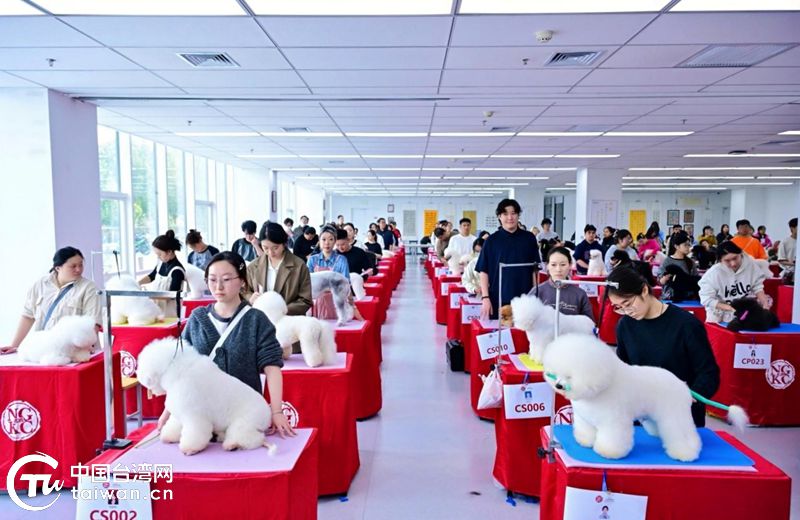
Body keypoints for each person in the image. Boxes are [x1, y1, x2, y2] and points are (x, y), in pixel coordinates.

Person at [172, 251, 294, 438]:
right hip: (201, 418)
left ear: (242, 281)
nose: (218, 286)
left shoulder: (256, 320)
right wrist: (169, 412)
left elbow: (272, 367)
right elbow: (181, 368)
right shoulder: (197, 318)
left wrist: (277, 411)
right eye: (212, 280)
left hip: (243, 416)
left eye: (227, 279)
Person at [606, 267, 720, 427]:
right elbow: (623, 370)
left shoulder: (686, 325)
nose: (626, 311)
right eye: (618, 307)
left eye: (627, 303)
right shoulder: (625, 325)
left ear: (644, 290)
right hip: (641, 416)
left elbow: (708, 373)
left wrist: (693, 394)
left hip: (680, 417)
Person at [2, 247, 101, 354]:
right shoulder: (40, 285)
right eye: (73, 266)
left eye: (81, 265)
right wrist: (15, 346)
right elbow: (28, 316)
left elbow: (93, 322)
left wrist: (84, 346)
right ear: (58, 268)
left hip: (75, 353)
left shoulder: (89, 288)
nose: (78, 269)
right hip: (44, 351)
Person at [476, 199, 541, 319]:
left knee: (524, 329)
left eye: (513, 213)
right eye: (505, 214)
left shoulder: (529, 238)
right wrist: (485, 298)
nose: (510, 217)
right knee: (500, 330)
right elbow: (483, 271)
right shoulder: (491, 241)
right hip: (498, 298)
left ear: (518, 215)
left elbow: (534, 270)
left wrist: (535, 296)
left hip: (525, 299)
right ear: (499, 216)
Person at [245, 222, 312, 316]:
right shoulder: (253, 266)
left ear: (284, 243)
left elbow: (305, 300)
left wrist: (283, 310)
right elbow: (244, 291)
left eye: (275, 248)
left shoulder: (299, 266)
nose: (270, 252)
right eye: (265, 248)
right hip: (261, 320)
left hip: (288, 320)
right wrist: (250, 297)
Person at [698, 241, 770, 323]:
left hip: (741, 312)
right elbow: (706, 299)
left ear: (741, 254)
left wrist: (765, 304)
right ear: (720, 260)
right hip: (717, 315)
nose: (733, 264)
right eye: (727, 260)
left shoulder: (751, 265)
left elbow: (757, 287)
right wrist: (730, 308)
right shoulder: (713, 273)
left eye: (735, 258)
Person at [529, 246, 594, 321]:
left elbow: (589, 323)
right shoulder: (537, 291)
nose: (558, 269)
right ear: (547, 266)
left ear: (570, 265)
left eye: (563, 265)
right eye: (553, 265)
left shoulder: (580, 294)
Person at [657, 231, 699, 302]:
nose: (688, 247)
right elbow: (660, 281)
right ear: (676, 246)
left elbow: (695, 280)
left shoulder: (691, 262)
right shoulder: (667, 261)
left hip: (688, 298)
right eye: (685, 245)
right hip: (670, 298)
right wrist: (665, 278)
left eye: (689, 245)